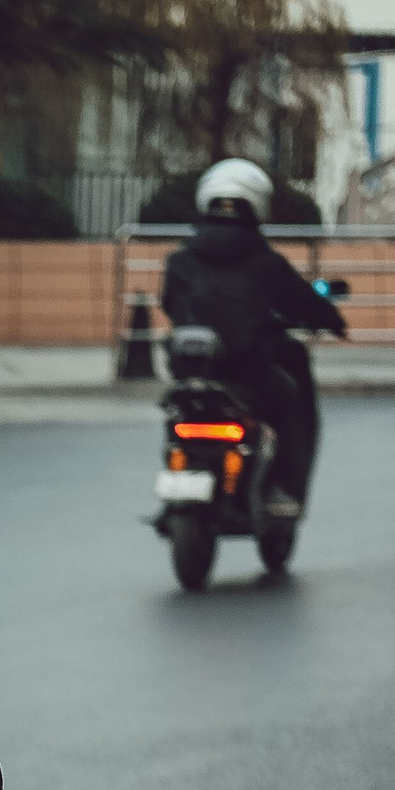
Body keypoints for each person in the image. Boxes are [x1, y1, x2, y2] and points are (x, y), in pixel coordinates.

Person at [158, 156, 346, 522]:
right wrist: (332, 319)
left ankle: (177, 481)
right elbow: (304, 302)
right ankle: (284, 490)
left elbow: (169, 303)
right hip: (249, 373)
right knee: (291, 403)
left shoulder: (179, 260)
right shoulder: (266, 261)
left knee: (177, 413)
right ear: (257, 203)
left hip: (190, 373)